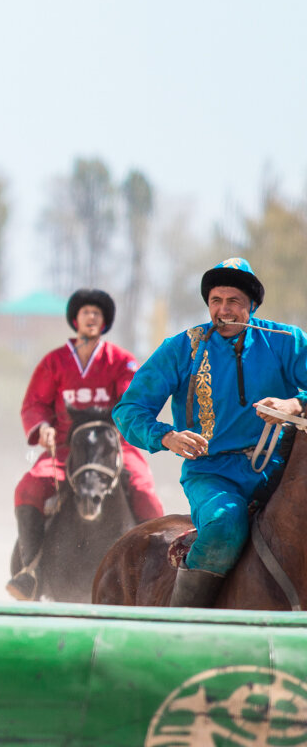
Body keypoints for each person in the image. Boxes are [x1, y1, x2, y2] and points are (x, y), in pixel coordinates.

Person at [114, 258, 307, 607]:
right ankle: (184, 627)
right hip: (213, 474)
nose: (224, 310)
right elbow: (128, 410)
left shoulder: (287, 342)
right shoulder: (181, 348)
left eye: (233, 301)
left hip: (282, 471)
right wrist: (166, 436)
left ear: (252, 305)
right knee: (222, 529)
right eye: (216, 300)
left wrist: (296, 404)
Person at [7, 288, 165, 601]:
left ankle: (157, 574)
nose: (91, 317)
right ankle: (31, 571)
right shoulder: (53, 362)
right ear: (75, 320)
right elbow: (35, 404)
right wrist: (42, 429)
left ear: (104, 321)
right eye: (85, 313)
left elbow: (131, 400)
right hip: (65, 449)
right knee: (28, 486)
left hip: (115, 446)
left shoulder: (121, 361)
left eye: (97, 313)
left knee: (145, 491)